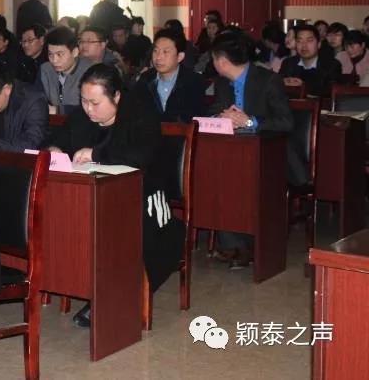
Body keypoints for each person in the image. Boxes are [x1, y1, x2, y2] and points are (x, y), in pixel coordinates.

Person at [50, 64, 185, 327]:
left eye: (95, 103)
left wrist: (96, 154)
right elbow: (57, 138)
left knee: (123, 233)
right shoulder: (82, 116)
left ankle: (111, 296)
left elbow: (140, 157)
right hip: (93, 199)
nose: (88, 109)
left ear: (117, 97)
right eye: (84, 101)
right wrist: (54, 149)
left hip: (143, 198)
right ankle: (81, 281)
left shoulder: (140, 115)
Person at [208, 32, 293, 268]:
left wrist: (249, 121)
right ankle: (233, 245)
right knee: (218, 174)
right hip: (233, 152)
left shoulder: (268, 80)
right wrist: (221, 117)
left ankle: (249, 246)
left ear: (221, 61)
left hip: (270, 155)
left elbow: (286, 122)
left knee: (241, 178)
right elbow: (214, 110)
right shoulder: (222, 83)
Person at [137, 30, 206, 122]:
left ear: (179, 57)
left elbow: (193, 118)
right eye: (155, 51)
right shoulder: (146, 79)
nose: (158, 57)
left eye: (165, 52)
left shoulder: (194, 81)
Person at [38, 26, 94, 115]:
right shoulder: (45, 70)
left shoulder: (90, 72)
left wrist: (58, 110)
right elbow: (36, 99)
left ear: (75, 52)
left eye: (59, 54)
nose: (54, 60)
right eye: (50, 54)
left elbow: (92, 107)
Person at [278, 24, 342, 97]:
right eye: (299, 41)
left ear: (319, 44)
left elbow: (330, 91)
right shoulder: (288, 63)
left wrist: (303, 86)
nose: (304, 45)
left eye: (309, 41)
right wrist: (283, 82)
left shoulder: (332, 65)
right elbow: (277, 86)